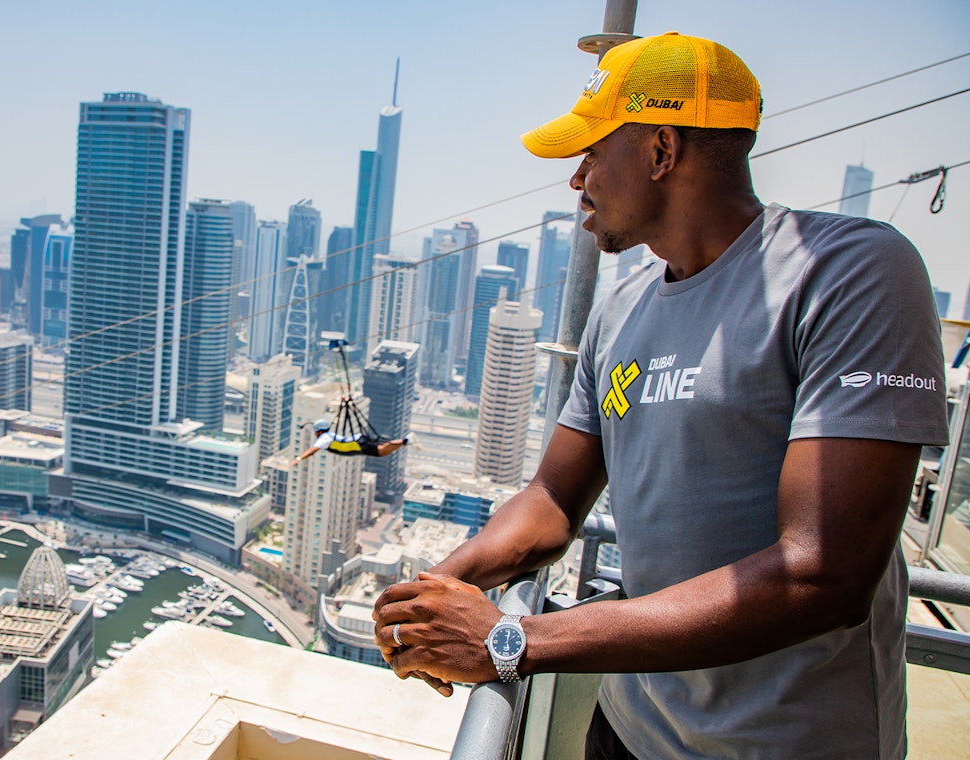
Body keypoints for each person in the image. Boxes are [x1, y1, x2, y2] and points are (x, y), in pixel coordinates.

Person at [371, 31, 948, 759]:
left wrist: (510, 639)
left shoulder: (848, 274)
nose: (577, 180)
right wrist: (435, 592)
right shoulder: (623, 307)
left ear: (660, 150)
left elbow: (824, 573)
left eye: (592, 153)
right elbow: (553, 499)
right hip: (629, 727)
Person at [292, 418, 409, 464]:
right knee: (382, 451)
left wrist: (298, 459)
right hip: (357, 442)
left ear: (319, 432)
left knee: (381, 451)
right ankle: (405, 441)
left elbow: (312, 450)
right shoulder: (328, 436)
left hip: (357, 445)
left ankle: (406, 441)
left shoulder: (323, 439)